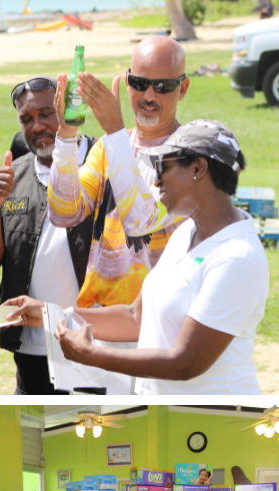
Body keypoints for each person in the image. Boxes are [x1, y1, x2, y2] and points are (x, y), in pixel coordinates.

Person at [5, 120, 268, 394]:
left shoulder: (237, 257)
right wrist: (51, 314)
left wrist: (91, 354)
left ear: (198, 169)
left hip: (208, 423)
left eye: (163, 166)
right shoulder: (187, 232)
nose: (156, 179)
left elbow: (185, 363)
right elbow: (135, 317)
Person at [0, 76, 98, 395]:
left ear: (68, 111)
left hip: (95, 340)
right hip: (31, 348)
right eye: (26, 119)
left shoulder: (102, 162)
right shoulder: (17, 174)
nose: (37, 126)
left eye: (46, 114)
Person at [46, 35, 189, 312]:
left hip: (157, 321)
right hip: (102, 319)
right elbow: (63, 213)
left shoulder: (189, 155)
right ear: (127, 81)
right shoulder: (105, 149)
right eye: (139, 83)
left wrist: (115, 132)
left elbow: (143, 224)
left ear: (182, 89)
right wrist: (66, 134)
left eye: (163, 86)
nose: (148, 95)